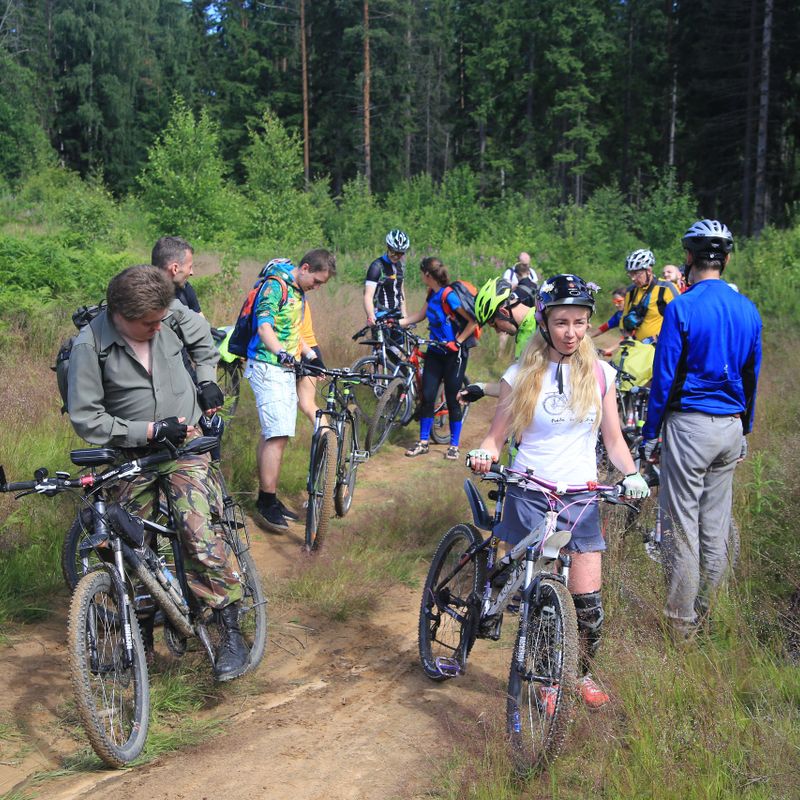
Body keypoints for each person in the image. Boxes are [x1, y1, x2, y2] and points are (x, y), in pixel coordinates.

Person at [468, 274, 650, 707]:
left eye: (580, 322)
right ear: (546, 322)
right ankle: (549, 681)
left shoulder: (602, 374)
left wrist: (630, 474)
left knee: (589, 608)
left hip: (581, 495)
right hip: (531, 489)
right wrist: (485, 452)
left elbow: (614, 440)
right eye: (563, 322)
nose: (572, 332)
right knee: (544, 600)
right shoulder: (520, 374)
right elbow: (497, 435)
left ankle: (580, 675)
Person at [67, 265, 248, 681]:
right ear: (120, 315)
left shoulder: (167, 315)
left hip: (185, 445)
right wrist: (146, 430)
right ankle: (141, 636)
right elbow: (87, 417)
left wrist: (206, 380)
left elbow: (203, 336)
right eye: (147, 324)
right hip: (133, 453)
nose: (157, 327)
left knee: (197, 531)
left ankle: (229, 631)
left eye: (161, 319)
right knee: (132, 549)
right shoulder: (90, 346)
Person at [642, 220, 762, 641]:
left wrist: (650, 433)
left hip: (690, 425)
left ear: (689, 259)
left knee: (681, 527)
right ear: (726, 260)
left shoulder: (682, 307)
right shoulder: (748, 309)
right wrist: (744, 427)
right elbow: (751, 375)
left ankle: (680, 625)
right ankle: (712, 617)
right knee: (715, 527)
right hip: (731, 427)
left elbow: (665, 376)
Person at [245, 250, 336, 532]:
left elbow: (293, 333)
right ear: (305, 268)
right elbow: (265, 327)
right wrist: (283, 354)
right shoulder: (276, 285)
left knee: (273, 432)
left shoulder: (298, 292)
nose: (317, 287)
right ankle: (266, 502)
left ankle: (268, 496)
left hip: (285, 367)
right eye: (317, 281)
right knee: (278, 434)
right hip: (267, 365)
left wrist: (311, 358)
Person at [399, 257, 477, 460]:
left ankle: (454, 445)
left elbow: (472, 322)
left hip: (454, 353)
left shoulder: (448, 296)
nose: (420, 276)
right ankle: (423, 442)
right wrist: (398, 323)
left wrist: (458, 341)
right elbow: (420, 315)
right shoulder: (431, 293)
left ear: (427, 274)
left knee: (452, 398)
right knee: (427, 396)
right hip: (435, 350)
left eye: (421, 273)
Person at [458, 277, 537, 403]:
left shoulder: (543, 324)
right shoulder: (524, 332)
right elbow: (521, 388)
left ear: (504, 312)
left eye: (494, 324)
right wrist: (482, 389)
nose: (497, 331)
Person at [604, 249, 679, 357]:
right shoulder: (631, 291)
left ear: (648, 270)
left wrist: (659, 337)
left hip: (660, 349)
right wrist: (627, 336)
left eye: (636, 274)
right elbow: (624, 318)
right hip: (637, 350)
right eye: (630, 274)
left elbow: (682, 319)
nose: (633, 278)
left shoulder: (666, 288)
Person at [364, 229, 409, 326]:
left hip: (397, 316)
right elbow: (368, 295)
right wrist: (371, 316)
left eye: (400, 253)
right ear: (388, 247)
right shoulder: (376, 267)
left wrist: (405, 316)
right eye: (394, 252)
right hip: (380, 315)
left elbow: (401, 292)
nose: (396, 256)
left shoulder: (400, 266)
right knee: (382, 341)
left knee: (401, 341)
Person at [151, 236, 202, 315]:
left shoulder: (185, 289)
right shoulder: (143, 298)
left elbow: (202, 324)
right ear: (175, 269)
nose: (192, 272)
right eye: (190, 267)